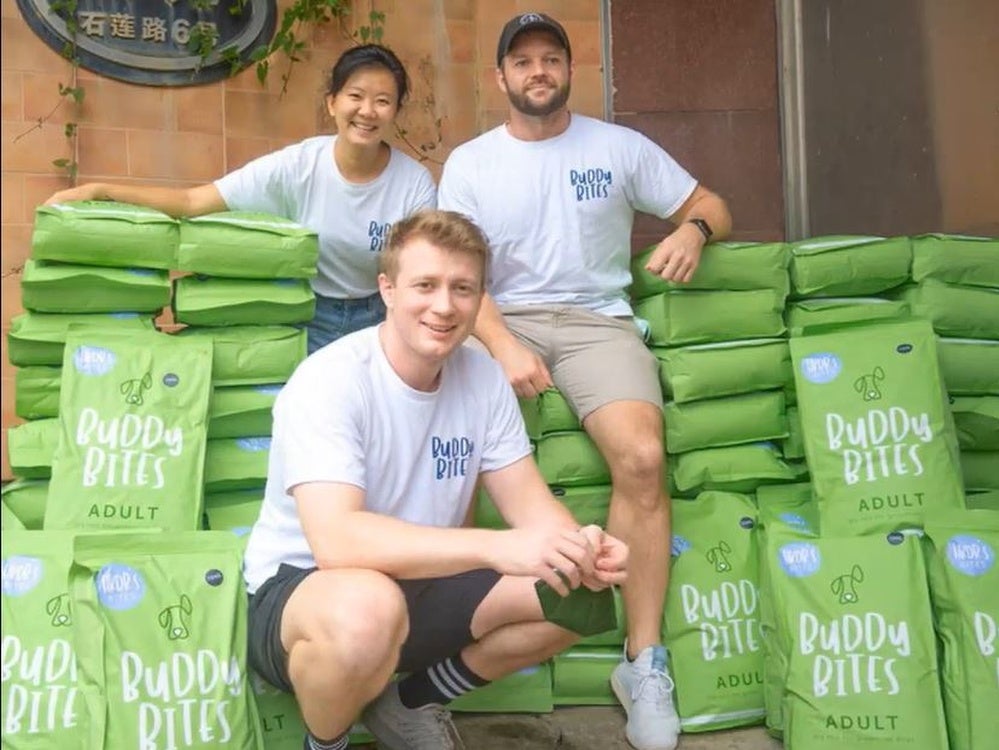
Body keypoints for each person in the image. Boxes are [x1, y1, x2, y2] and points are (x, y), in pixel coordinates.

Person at [437, 12, 733, 750]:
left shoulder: (619, 147)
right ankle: (435, 640)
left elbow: (711, 205)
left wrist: (692, 232)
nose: (538, 71)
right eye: (523, 62)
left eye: (551, 59)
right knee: (446, 451)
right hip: (500, 318)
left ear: (571, 72)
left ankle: (643, 661)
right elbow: (457, 275)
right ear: (499, 78)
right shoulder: (471, 163)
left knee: (641, 459)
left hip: (599, 322)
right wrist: (501, 343)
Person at [242, 208, 629, 750]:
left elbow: (535, 513)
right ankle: (326, 743)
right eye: (425, 285)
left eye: (462, 288)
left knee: (575, 592)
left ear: (480, 297)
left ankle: (410, 702)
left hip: (421, 584)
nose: (444, 306)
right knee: (369, 606)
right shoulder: (331, 380)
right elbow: (336, 542)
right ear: (389, 290)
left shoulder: (483, 379)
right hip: (306, 597)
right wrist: (499, 548)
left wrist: (581, 549)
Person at [44, 44, 436, 353]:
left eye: (383, 100)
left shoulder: (414, 183)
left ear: (396, 111)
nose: (367, 111)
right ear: (332, 102)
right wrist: (102, 191)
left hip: (382, 318)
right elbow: (195, 203)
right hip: (307, 315)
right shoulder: (297, 166)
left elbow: (422, 273)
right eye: (356, 96)